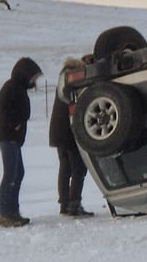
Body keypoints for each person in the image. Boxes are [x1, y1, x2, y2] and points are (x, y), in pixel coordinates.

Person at [0, 57, 42, 228]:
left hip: (12, 138)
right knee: (11, 175)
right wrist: (14, 123)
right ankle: (5, 213)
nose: (34, 81)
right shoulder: (11, 87)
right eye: (33, 77)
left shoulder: (18, 88)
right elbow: (5, 108)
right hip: (7, 136)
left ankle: (13, 211)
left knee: (18, 173)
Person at [50, 57, 94, 217]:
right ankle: (74, 204)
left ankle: (64, 204)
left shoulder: (64, 77)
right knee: (78, 168)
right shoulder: (75, 79)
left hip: (57, 129)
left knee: (65, 167)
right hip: (69, 131)